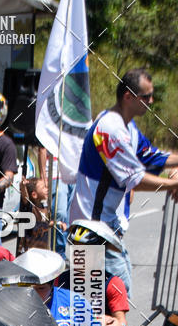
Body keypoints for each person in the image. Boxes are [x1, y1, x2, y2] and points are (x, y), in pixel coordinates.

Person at [68, 67, 178, 297]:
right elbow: (134, 179)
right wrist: (173, 185)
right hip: (93, 229)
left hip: (105, 229)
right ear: (128, 96)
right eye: (146, 96)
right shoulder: (110, 128)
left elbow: (152, 157)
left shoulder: (128, 127)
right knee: (111, 297)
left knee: (102, 299)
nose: (151, 101)